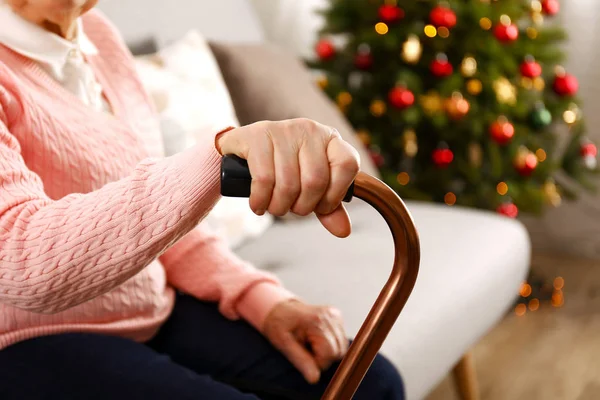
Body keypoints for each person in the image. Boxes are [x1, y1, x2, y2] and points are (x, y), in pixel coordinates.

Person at [0, 1, 405, 399]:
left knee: (370, 381)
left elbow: (153, 218)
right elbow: (21, 262)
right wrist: (216, 159)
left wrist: (262, 300)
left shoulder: (98, 37)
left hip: (148, 309)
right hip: (25, 339)